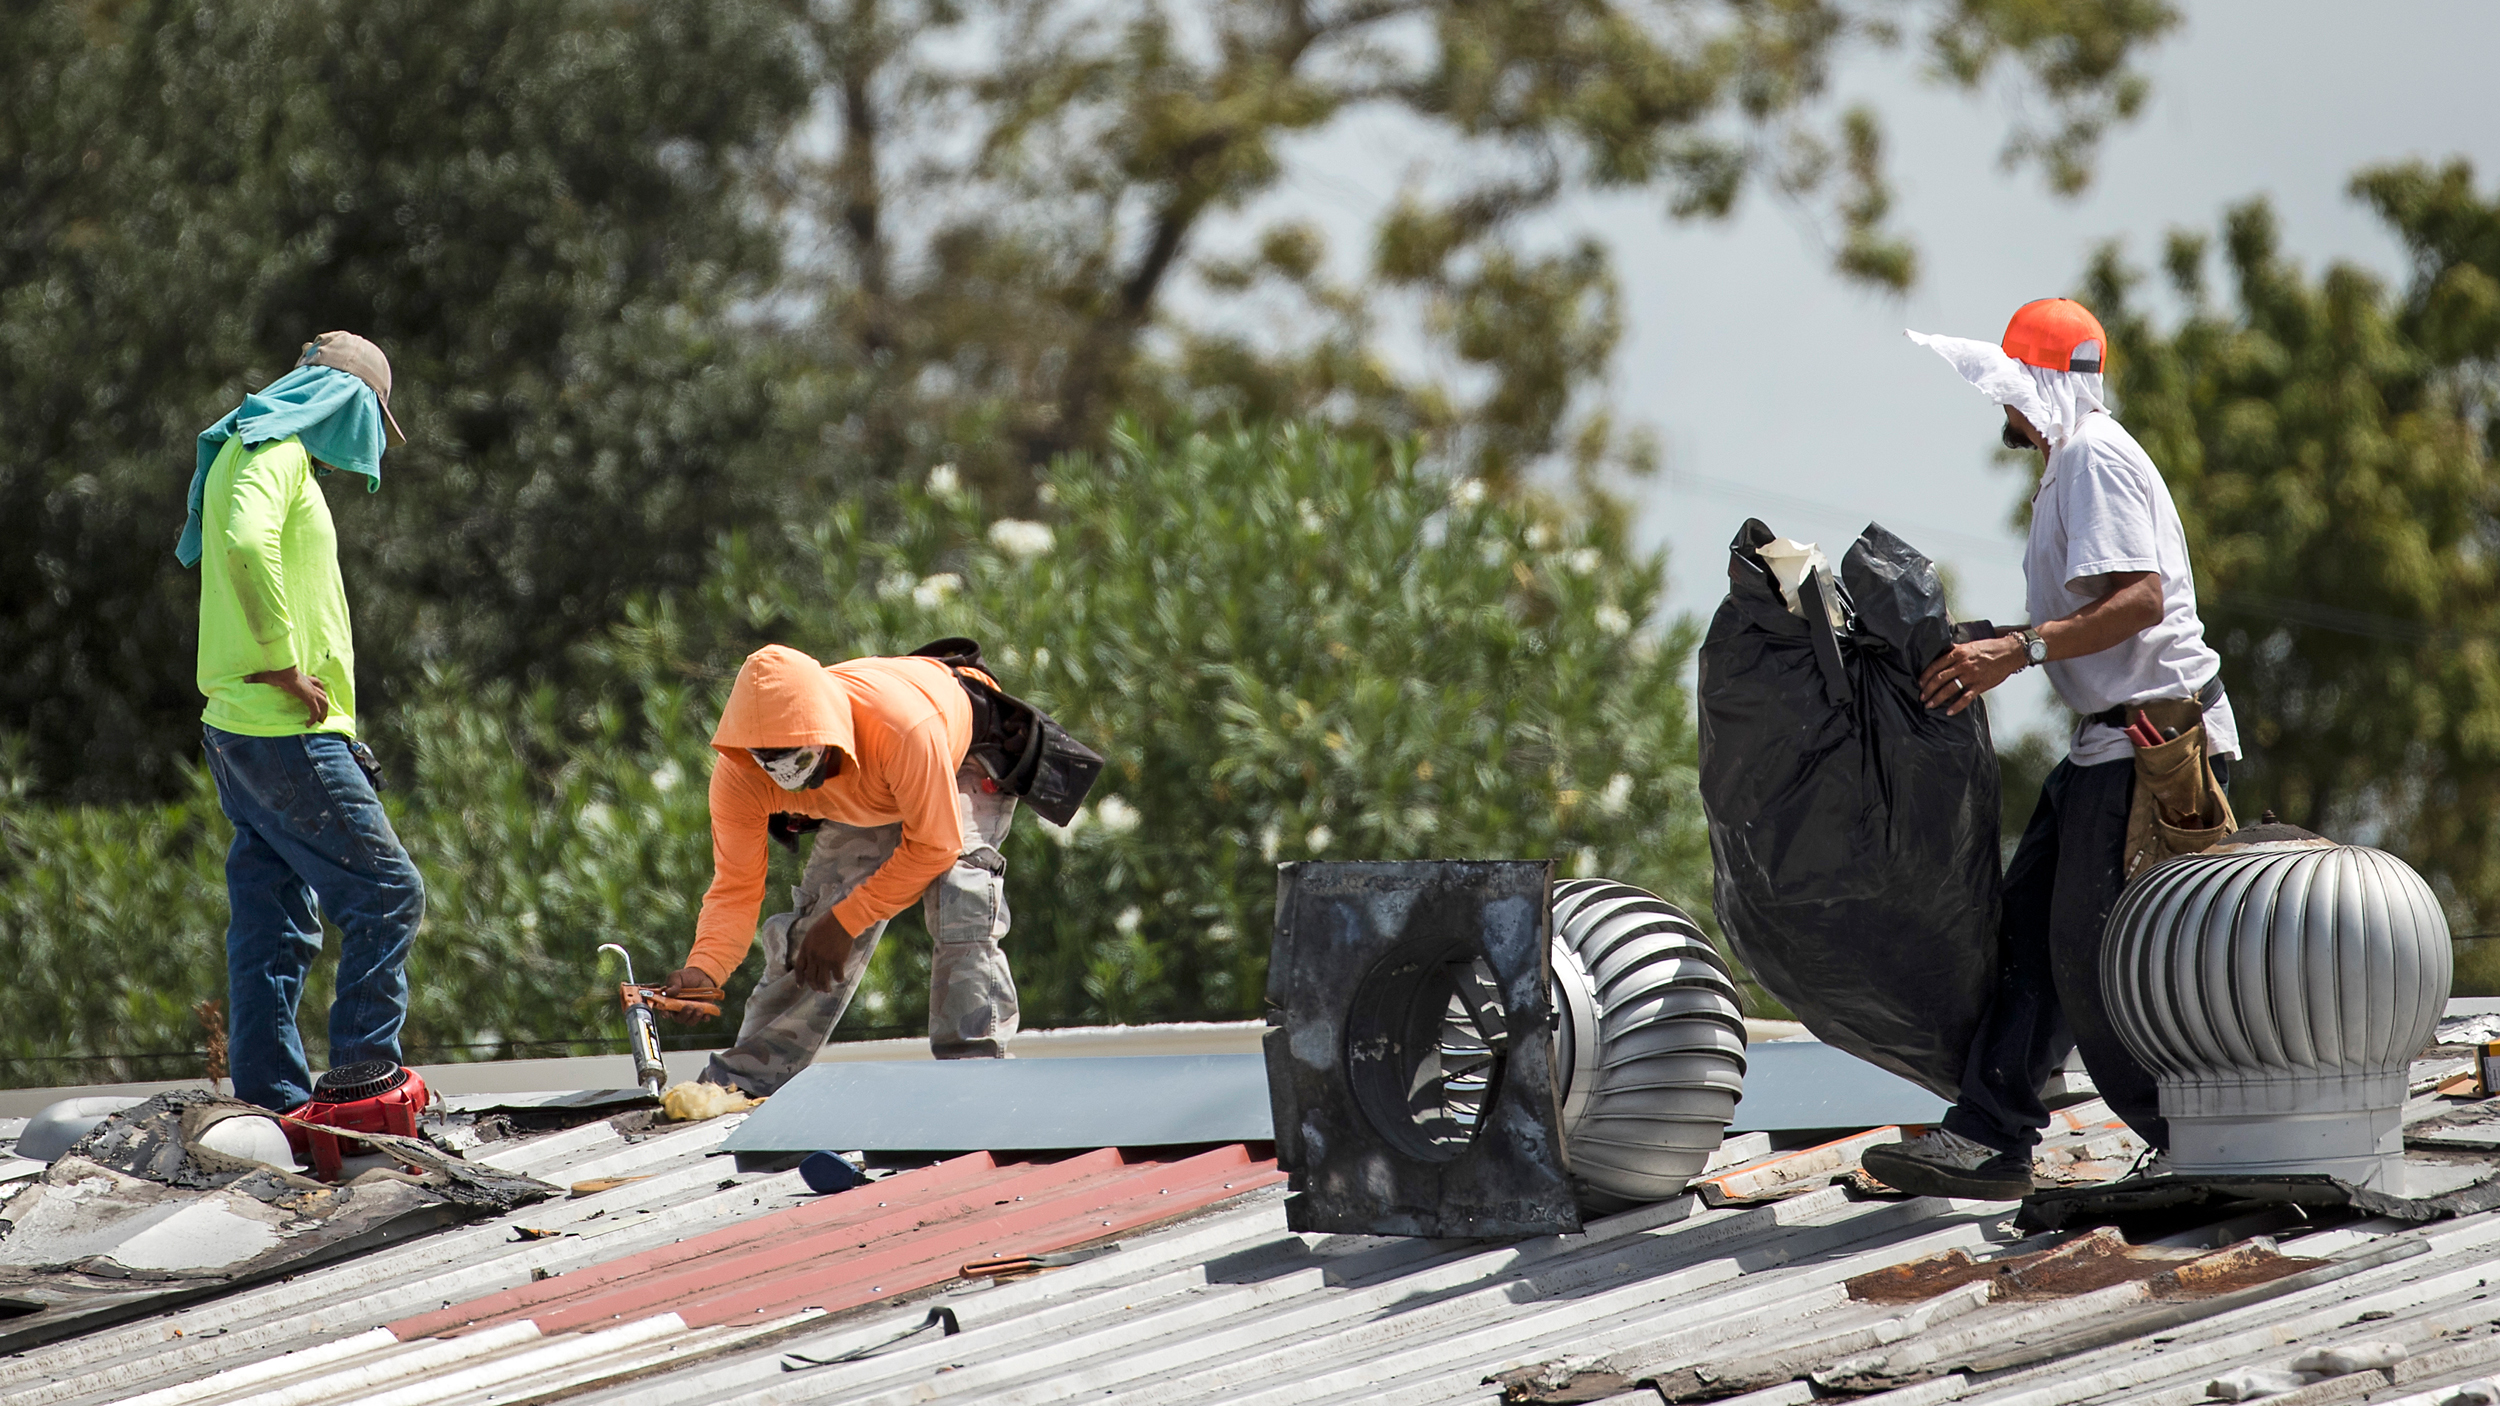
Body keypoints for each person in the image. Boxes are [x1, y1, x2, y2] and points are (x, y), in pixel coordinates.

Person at [1861, 298, 2240, 1201]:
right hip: (2104, 748)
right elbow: (2092, 615)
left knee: (2090, 952)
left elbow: (2140, 601)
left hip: (2153, 745)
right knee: (2026, 929)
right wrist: (1984, 639)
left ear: (2035, 386)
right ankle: (1989, 1136)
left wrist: (2019, 650)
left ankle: (2196, 1143)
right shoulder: (2073, 463)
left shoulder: (2094, 457)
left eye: (2007, 392)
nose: (2005, 415)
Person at [182, 331, 424, 1113]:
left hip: (244, 729)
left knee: (274, 922)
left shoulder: (250, 448)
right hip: (284, 726)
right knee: (388, 894)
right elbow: (248, 543)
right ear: (345, 401)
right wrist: (284, 661)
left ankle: (273, 1106)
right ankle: (363, 1085)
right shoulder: (274, 450)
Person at [659, 643, 1022, 1095]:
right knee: (816, 928)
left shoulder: (903, 726)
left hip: (957, 754)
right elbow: (736, 886)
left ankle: (974, 1077)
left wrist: (848, 920)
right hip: (869, 787)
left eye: (798, 757)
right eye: (770, 760)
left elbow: (934, 845)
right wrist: (705, 968)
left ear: (825, 730)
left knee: (960, 891)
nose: (782, 772)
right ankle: (749, 1080)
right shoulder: (742, 776)